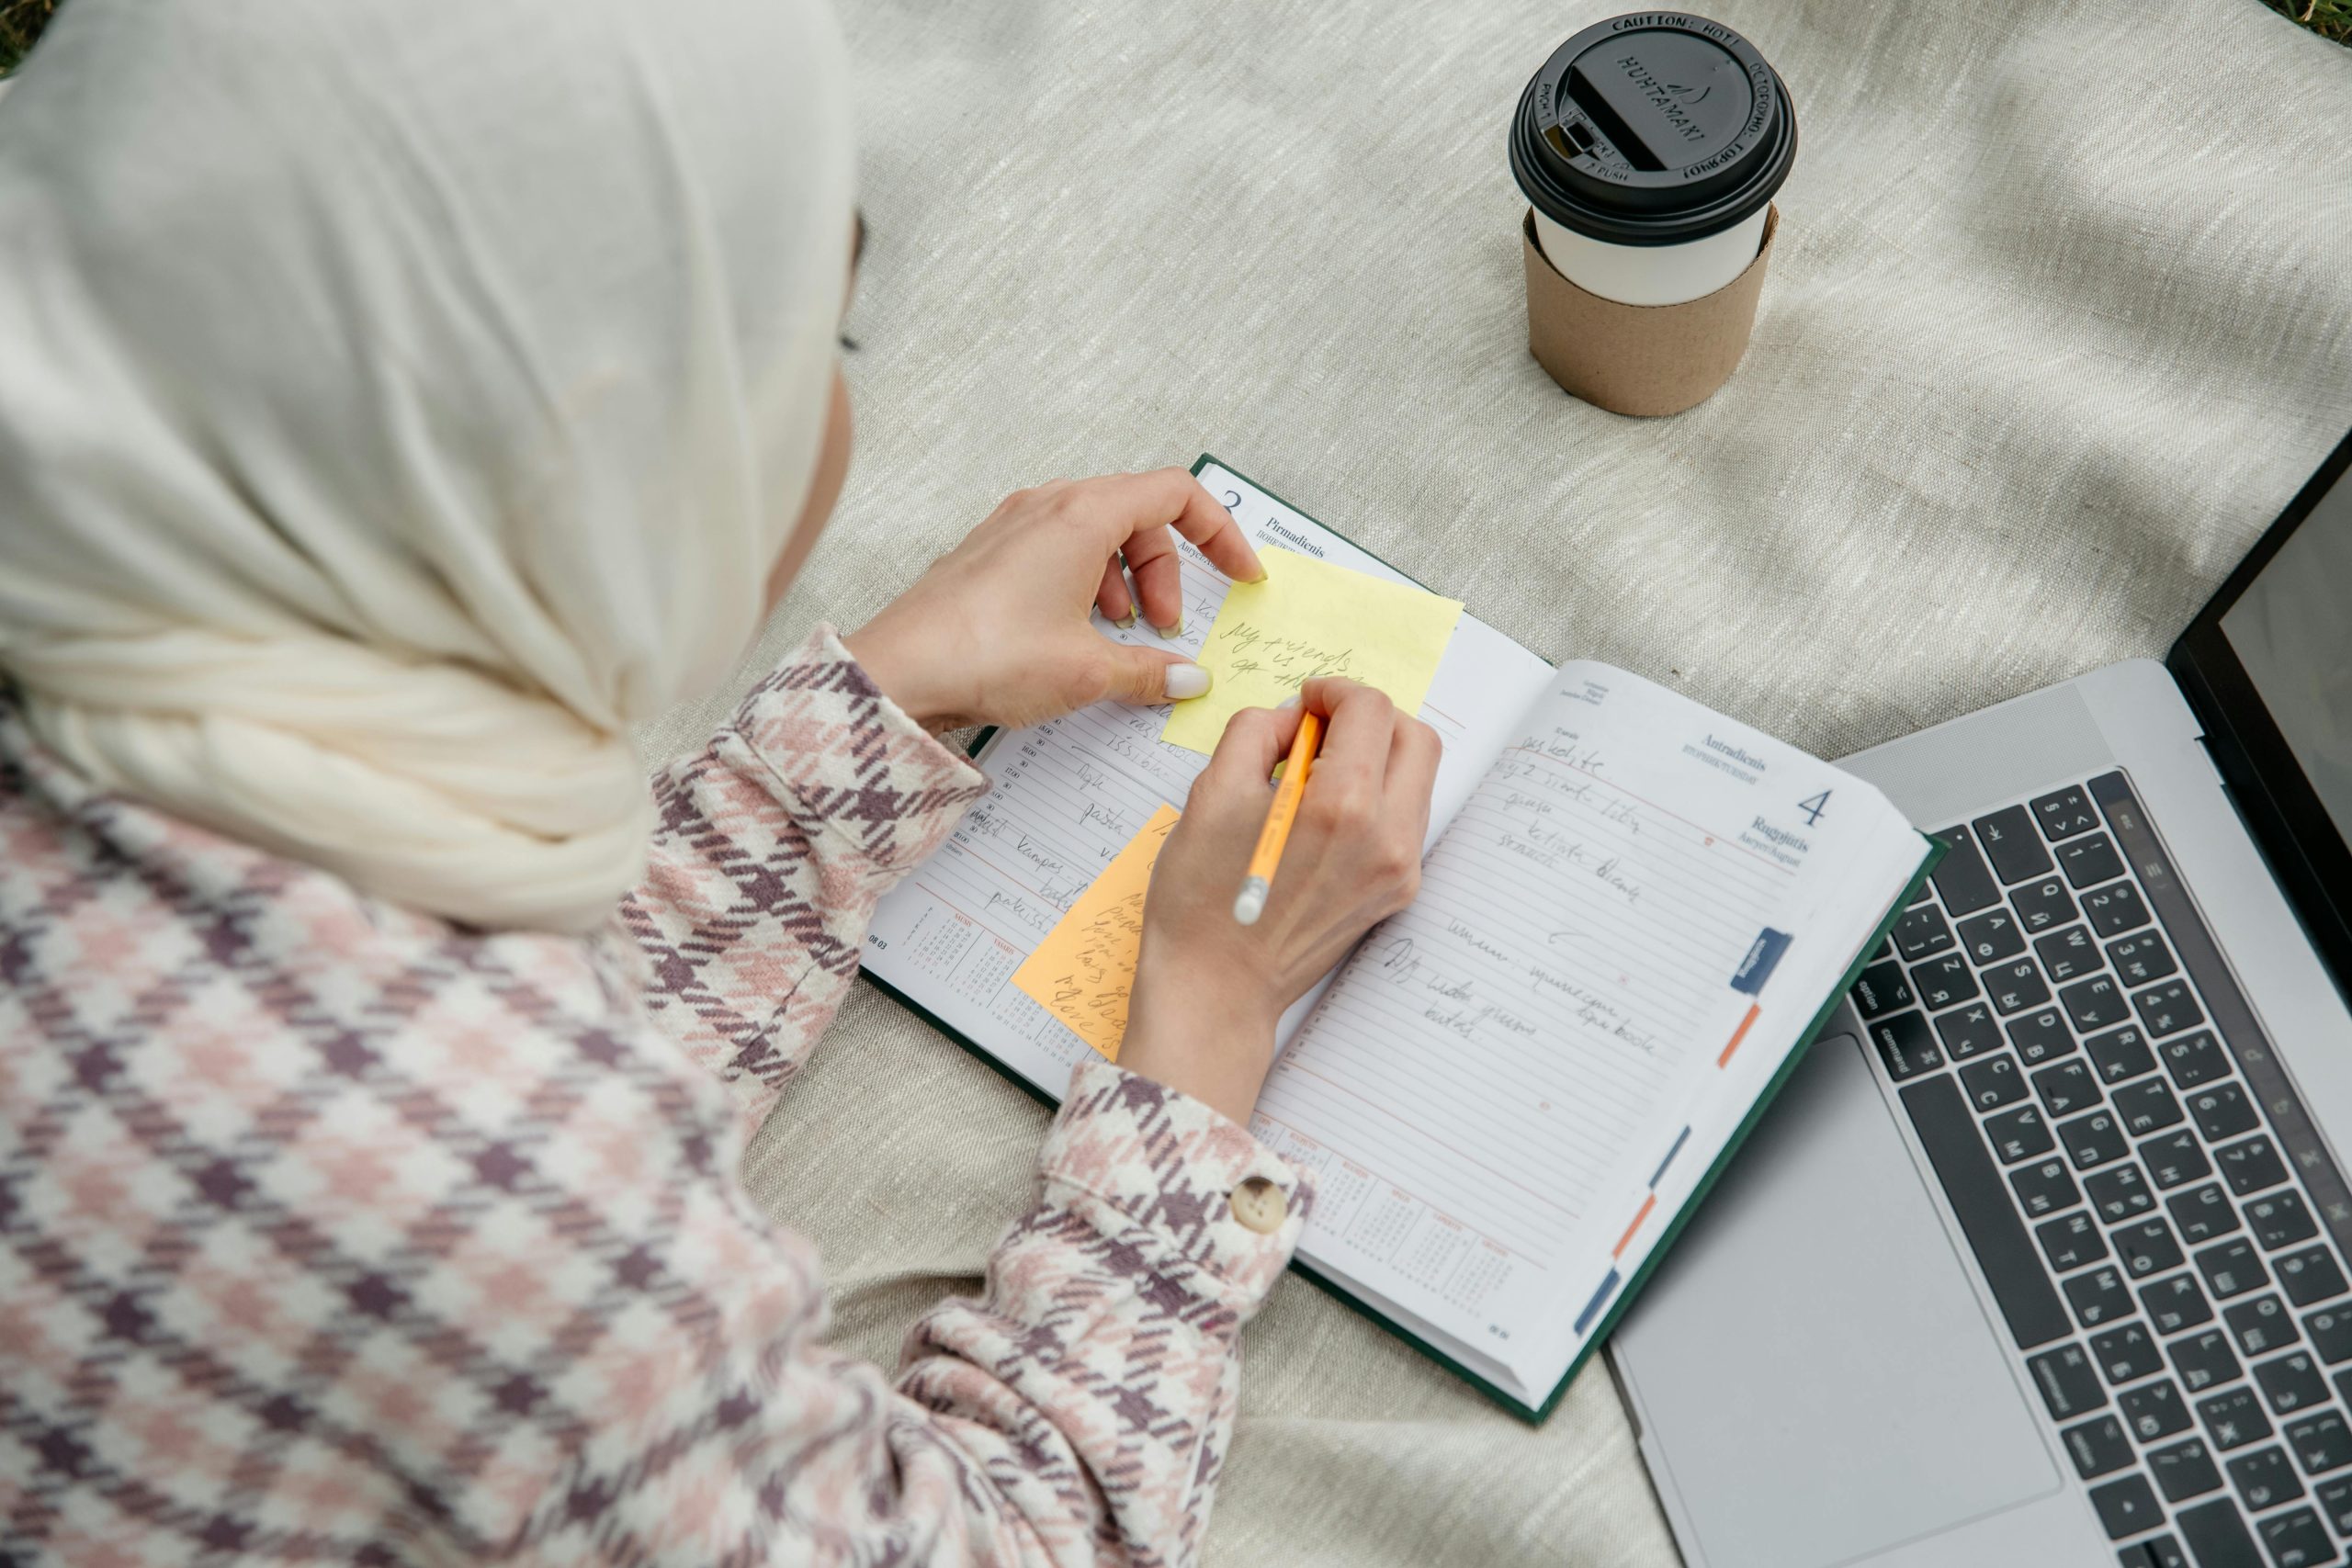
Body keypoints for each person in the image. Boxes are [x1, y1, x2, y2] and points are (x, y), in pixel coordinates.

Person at [0, 0, 1441, 1562]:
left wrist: (854, 735)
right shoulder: (496, 1210)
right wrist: (1208, 1026)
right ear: (597, 465)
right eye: (814, 345)